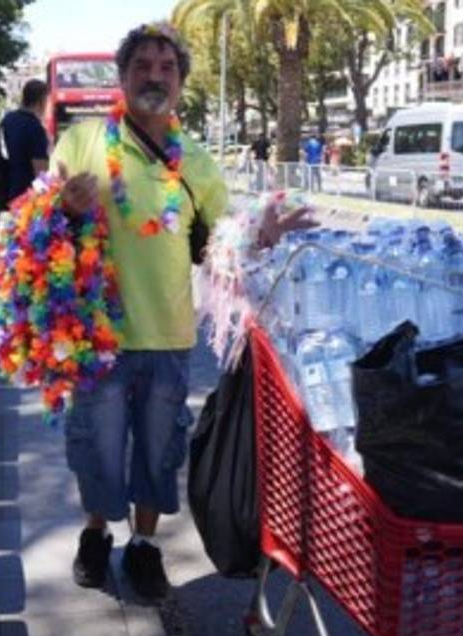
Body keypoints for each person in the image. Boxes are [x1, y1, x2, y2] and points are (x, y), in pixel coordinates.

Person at [54, 24, 314, 599]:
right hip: (96, 336)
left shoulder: (196, 163)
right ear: (122, 77)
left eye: (166, 66)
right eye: (143, 64)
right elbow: (38, 238)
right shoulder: (81, 144)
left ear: (180, 83)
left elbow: (218, 247)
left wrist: (260, 237)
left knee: (156, 449)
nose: (154, 74)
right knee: (95, 447)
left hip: (168, 335)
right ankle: (96, 535)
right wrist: (65, 212)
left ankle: (144, 547)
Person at [0, 79, 51, 214]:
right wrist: (46, 202)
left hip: (7, 192)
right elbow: (41, 173)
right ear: (41, 101)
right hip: (27, 199)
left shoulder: (8, 120)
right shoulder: (35, 127)